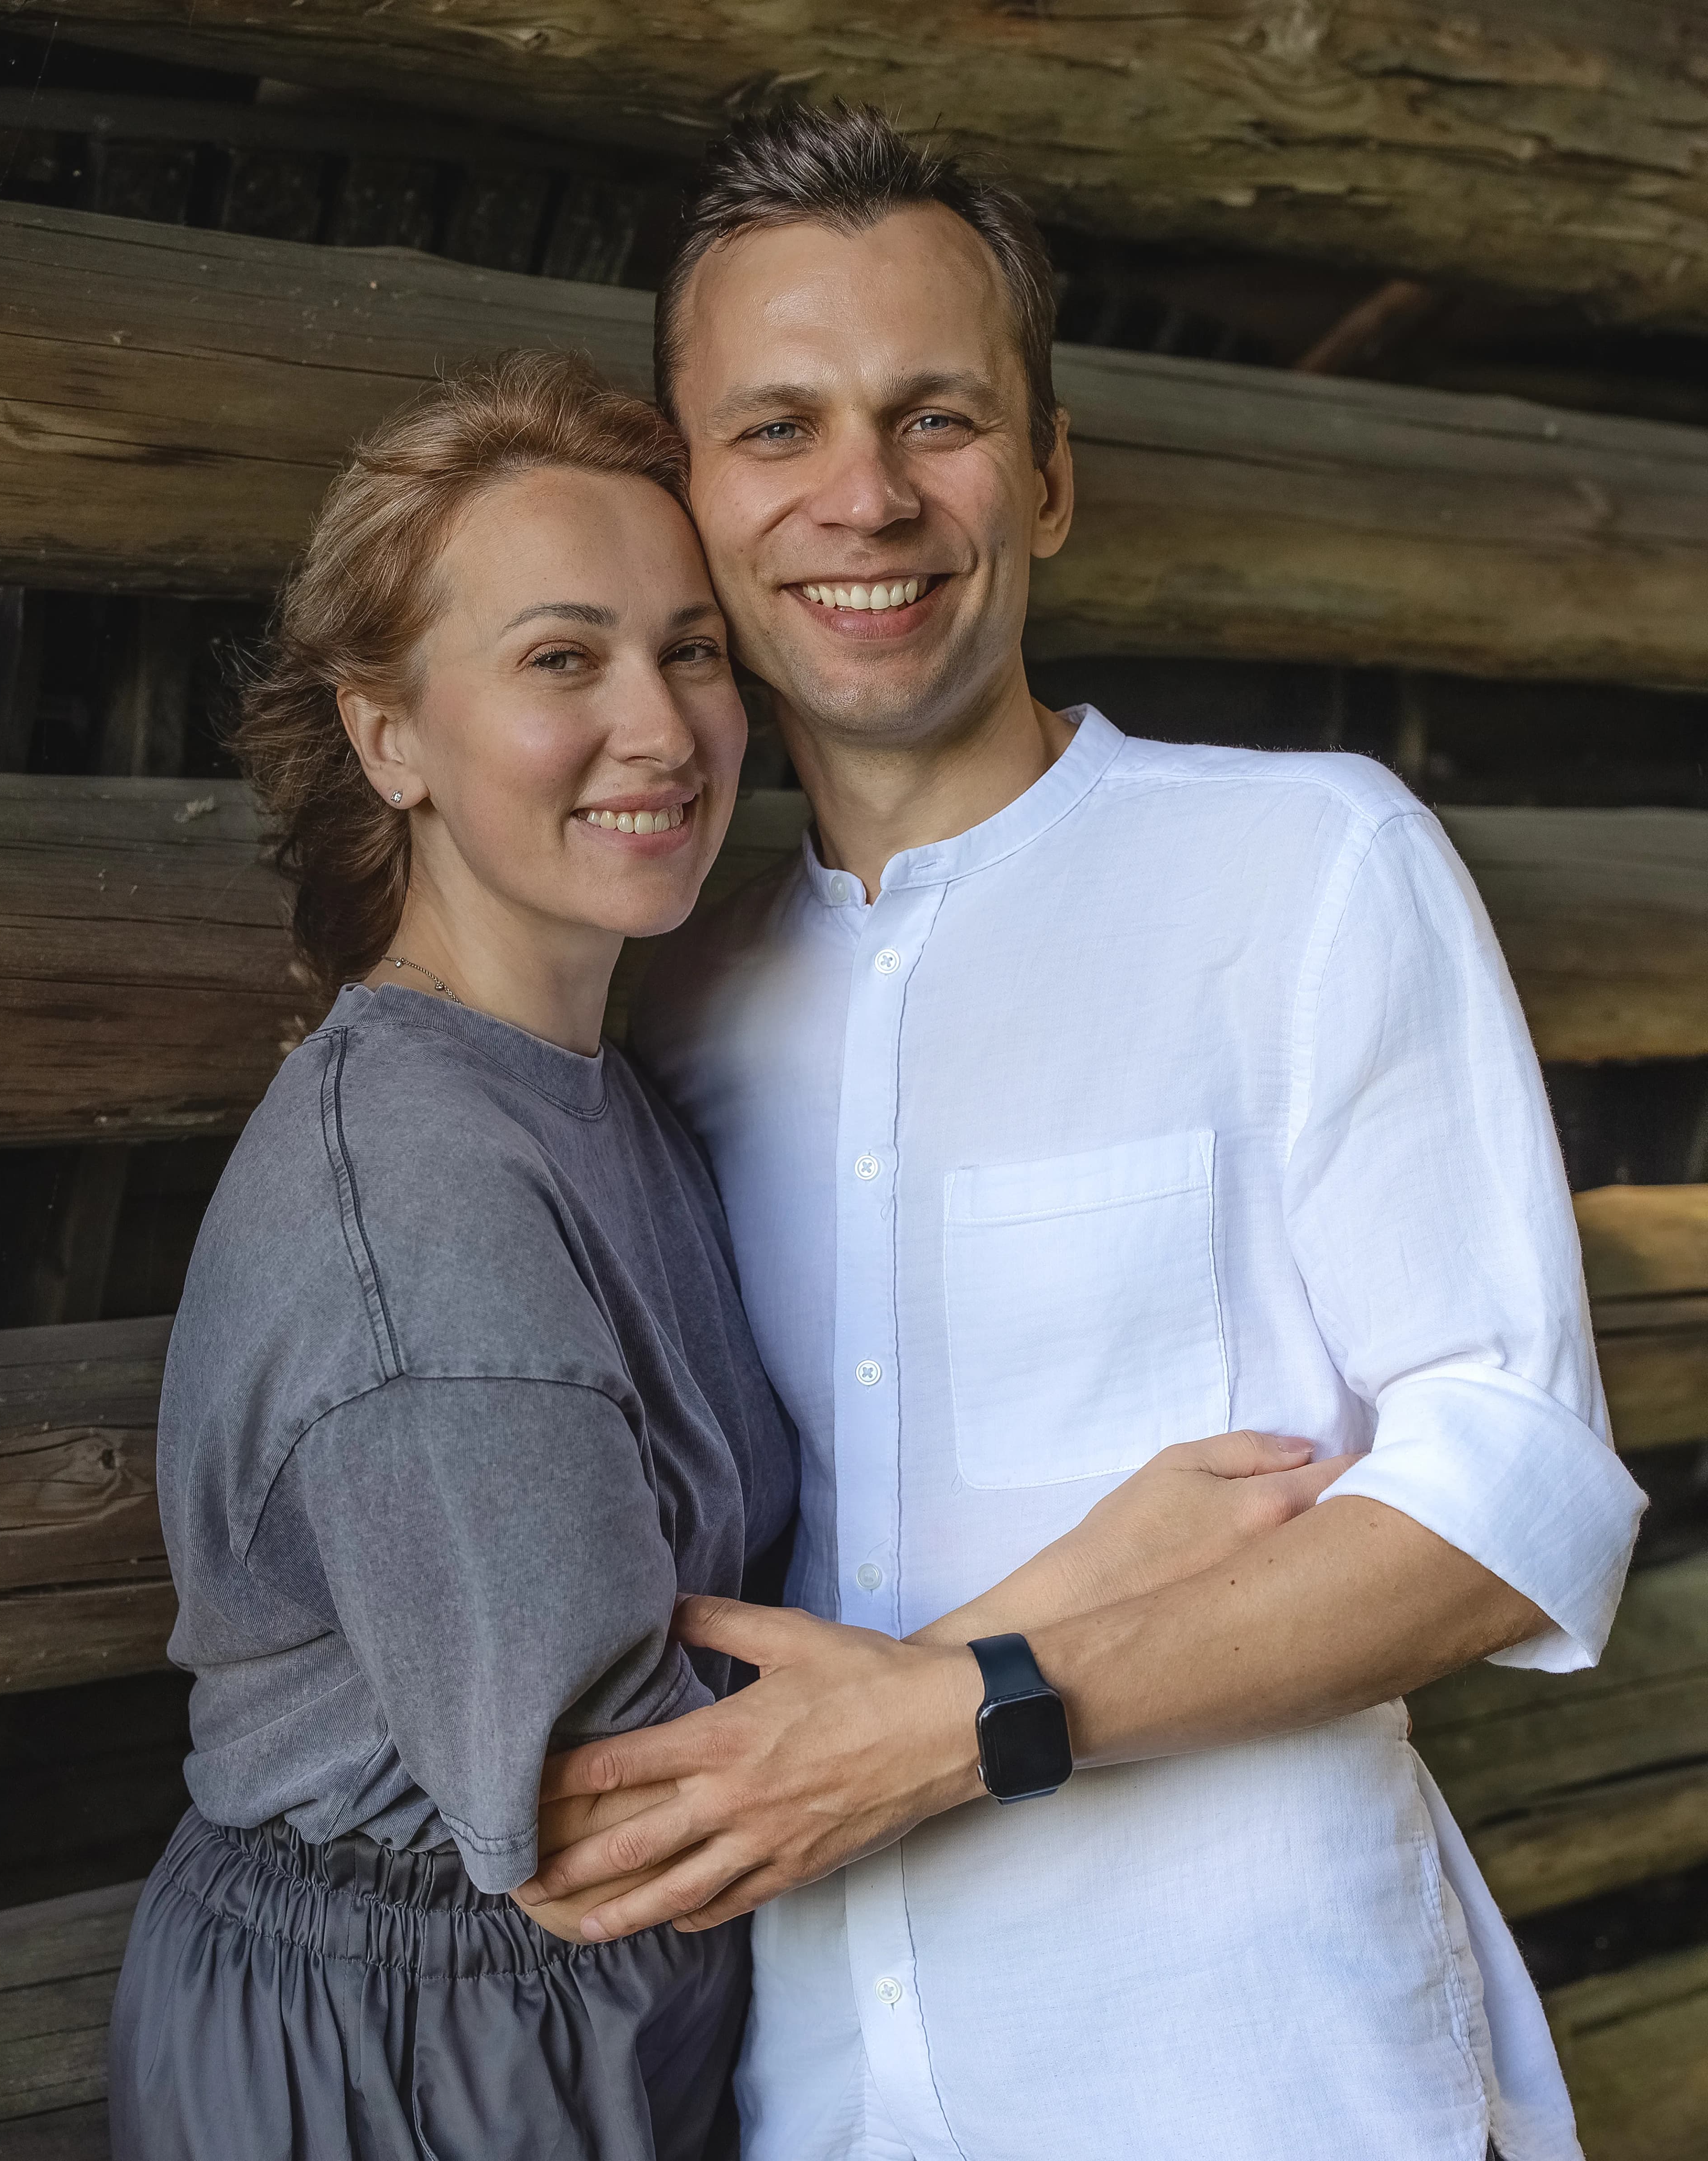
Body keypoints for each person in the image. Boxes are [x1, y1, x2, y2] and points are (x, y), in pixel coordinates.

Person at [524, 109, 1649, 2161]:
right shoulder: (665, 1009)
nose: (863, 496)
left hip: (1267, 2085)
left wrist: (971, 1716)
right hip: (813, 2100)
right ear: (688, 501)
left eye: (933, 417)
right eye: (777, 429)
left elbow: (1511, 1504)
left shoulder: (1303, 866)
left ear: (1047, 479)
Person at [108, 349, 1339, 2160]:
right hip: (413, 2069)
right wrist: (1092, 1595)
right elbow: (611, 1820)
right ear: (389, 736)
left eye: (689, 649)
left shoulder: (596, 1078)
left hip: (582, 2041)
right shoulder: (431, 1204)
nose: (661, 726)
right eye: (559, 661)